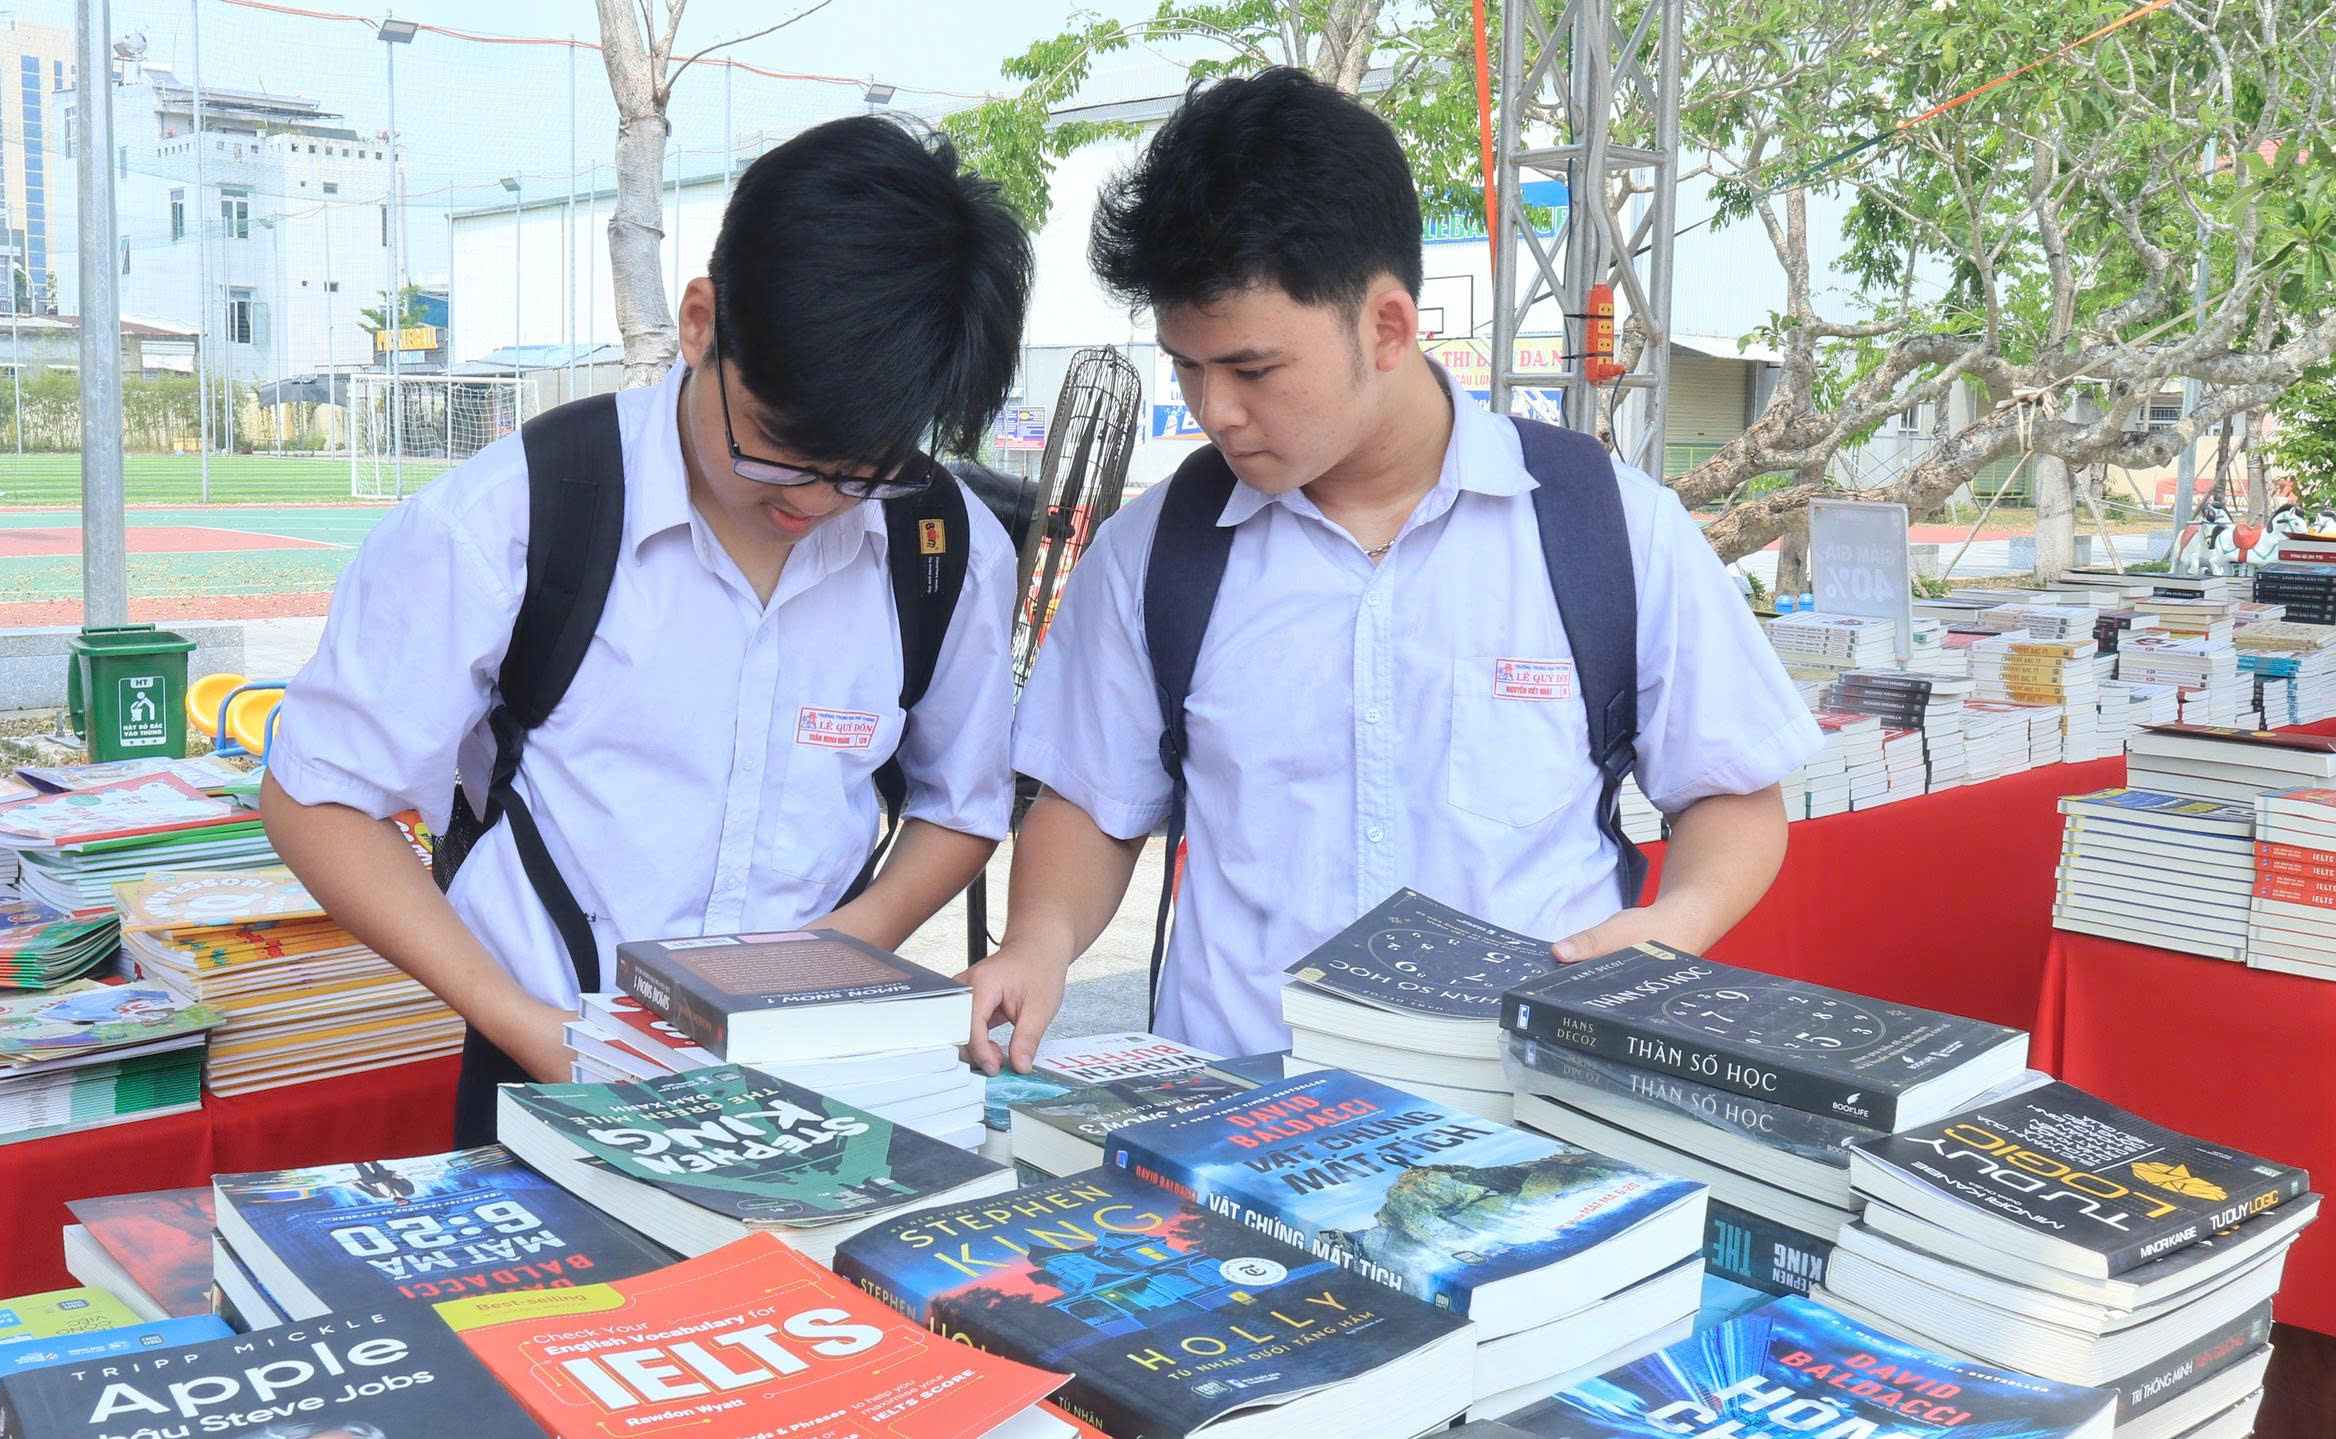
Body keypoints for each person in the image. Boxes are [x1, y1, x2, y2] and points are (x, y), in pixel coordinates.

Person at [962, 69, 1820, 1068]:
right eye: (1186, 366)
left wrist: (1675, 924)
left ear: (1388, 326)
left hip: (1523, 1103)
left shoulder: (1609, 530)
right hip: (1233, 1106)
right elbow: (1090, 802)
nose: (1214, 410)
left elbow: (1729, 793)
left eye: (1252, 369)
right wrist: (1039, 940)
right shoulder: (1153, 554)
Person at [261, 116, 1031, 1145]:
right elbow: (320, 795)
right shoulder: (515, 518)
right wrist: (526, 1025)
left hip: (819, 1073)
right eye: (778, 449)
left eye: (864, 470)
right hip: (547, 1063)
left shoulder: (942, 546)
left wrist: (832, 954)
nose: (812, 501)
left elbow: (962, 802)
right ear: (702, 322)